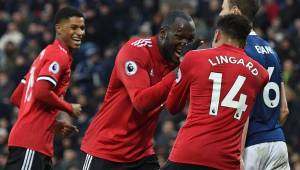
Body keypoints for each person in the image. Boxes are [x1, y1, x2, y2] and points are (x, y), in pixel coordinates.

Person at [80, 11, 202, 170]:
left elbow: (174, 108)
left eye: (189, 41)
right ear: (163, 33)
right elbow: (141, 102)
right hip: (106, 150)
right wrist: (179, 71)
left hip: (141, 153)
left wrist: (186, 72)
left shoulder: (175, 63)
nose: (184, 44)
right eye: (179, 37)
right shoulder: (136, 51)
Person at [161, 14, 269, 170]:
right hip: (227, 162)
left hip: (188, 155)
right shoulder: (260, 74)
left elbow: (172, 107)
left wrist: (182, 71)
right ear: (244, 42)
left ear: (218, 34)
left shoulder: (193, 59)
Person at [4, 7, 85, 170]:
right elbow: (41, 91)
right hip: (31, 142)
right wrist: (68, 108)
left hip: (36, 143)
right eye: (73, 27)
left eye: (82, 28)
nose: (80, 32)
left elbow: (17, 97)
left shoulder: (45, 55)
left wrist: (50, 122)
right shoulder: (58, 55)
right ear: (59, 28)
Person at [219, 0, 290, 169]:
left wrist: (238, 153)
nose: (220, 14)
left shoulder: (239, 51)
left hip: (250, 147)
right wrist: (268, 132)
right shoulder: (271, 50)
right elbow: (284, 109)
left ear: (235, 11)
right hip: (278, 142)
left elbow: (241, 110)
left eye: (223, 9)